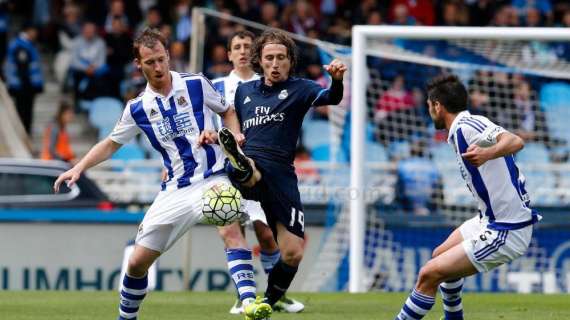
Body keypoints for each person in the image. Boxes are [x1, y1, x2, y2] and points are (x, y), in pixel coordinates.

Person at [53, 28, 271, 320]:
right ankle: (126, 317)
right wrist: (78, 167)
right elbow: (110, 144)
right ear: (138, 64)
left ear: (168, 56)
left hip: (213, 178)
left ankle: (248, 302)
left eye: (161, 59)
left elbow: (228, 110)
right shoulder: (137, 108)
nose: (157, 67)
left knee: (230, 226)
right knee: (136, 263)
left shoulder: (196, 84)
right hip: (174, 190)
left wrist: (234, 136)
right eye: (150, 62)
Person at [216, 29, 347, 312]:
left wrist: (337, 80)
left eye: (281, 58)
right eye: (269, 58)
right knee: (249, 169)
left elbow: (332, 98)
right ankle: (240, 164)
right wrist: (236, 138)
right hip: (252, 161)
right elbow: (235, 124)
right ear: (260, 61)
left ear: (290, 61)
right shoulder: (244, 91)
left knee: (293, 253)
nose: (275, 64)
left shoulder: (302, 89)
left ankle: (267, 302)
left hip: (283, 175)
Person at [393, 74, 540, 320]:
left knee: (429, 274)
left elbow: (516, 141)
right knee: (440, 257)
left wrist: (488, 153)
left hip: (507, 228)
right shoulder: (459, 132)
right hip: (488, 219)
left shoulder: (468, 125)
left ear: (437, 106)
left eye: (429, 106)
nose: (429, 111)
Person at [211, 30, 304, 315]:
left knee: (265, 235)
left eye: (246, 47)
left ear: (255, 54)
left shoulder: (266, 85)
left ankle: (276, 293)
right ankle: (246, 297)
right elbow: (198, 121)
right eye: (236, 47)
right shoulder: (213, 86)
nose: (241, 51)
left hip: (260, 168)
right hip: (219, 168)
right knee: (231, 230)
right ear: (229, 54)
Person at [4, 23, 44, 135]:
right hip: (23, 87)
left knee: (26, 114)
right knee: (23, 114)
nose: (36, 34)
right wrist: (30, 86)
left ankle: (25, 138)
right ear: (29, 30)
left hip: (25, 86)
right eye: (34, 31)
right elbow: (22, 69)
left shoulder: (27, 44)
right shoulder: (21, 46)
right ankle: (24, 139)